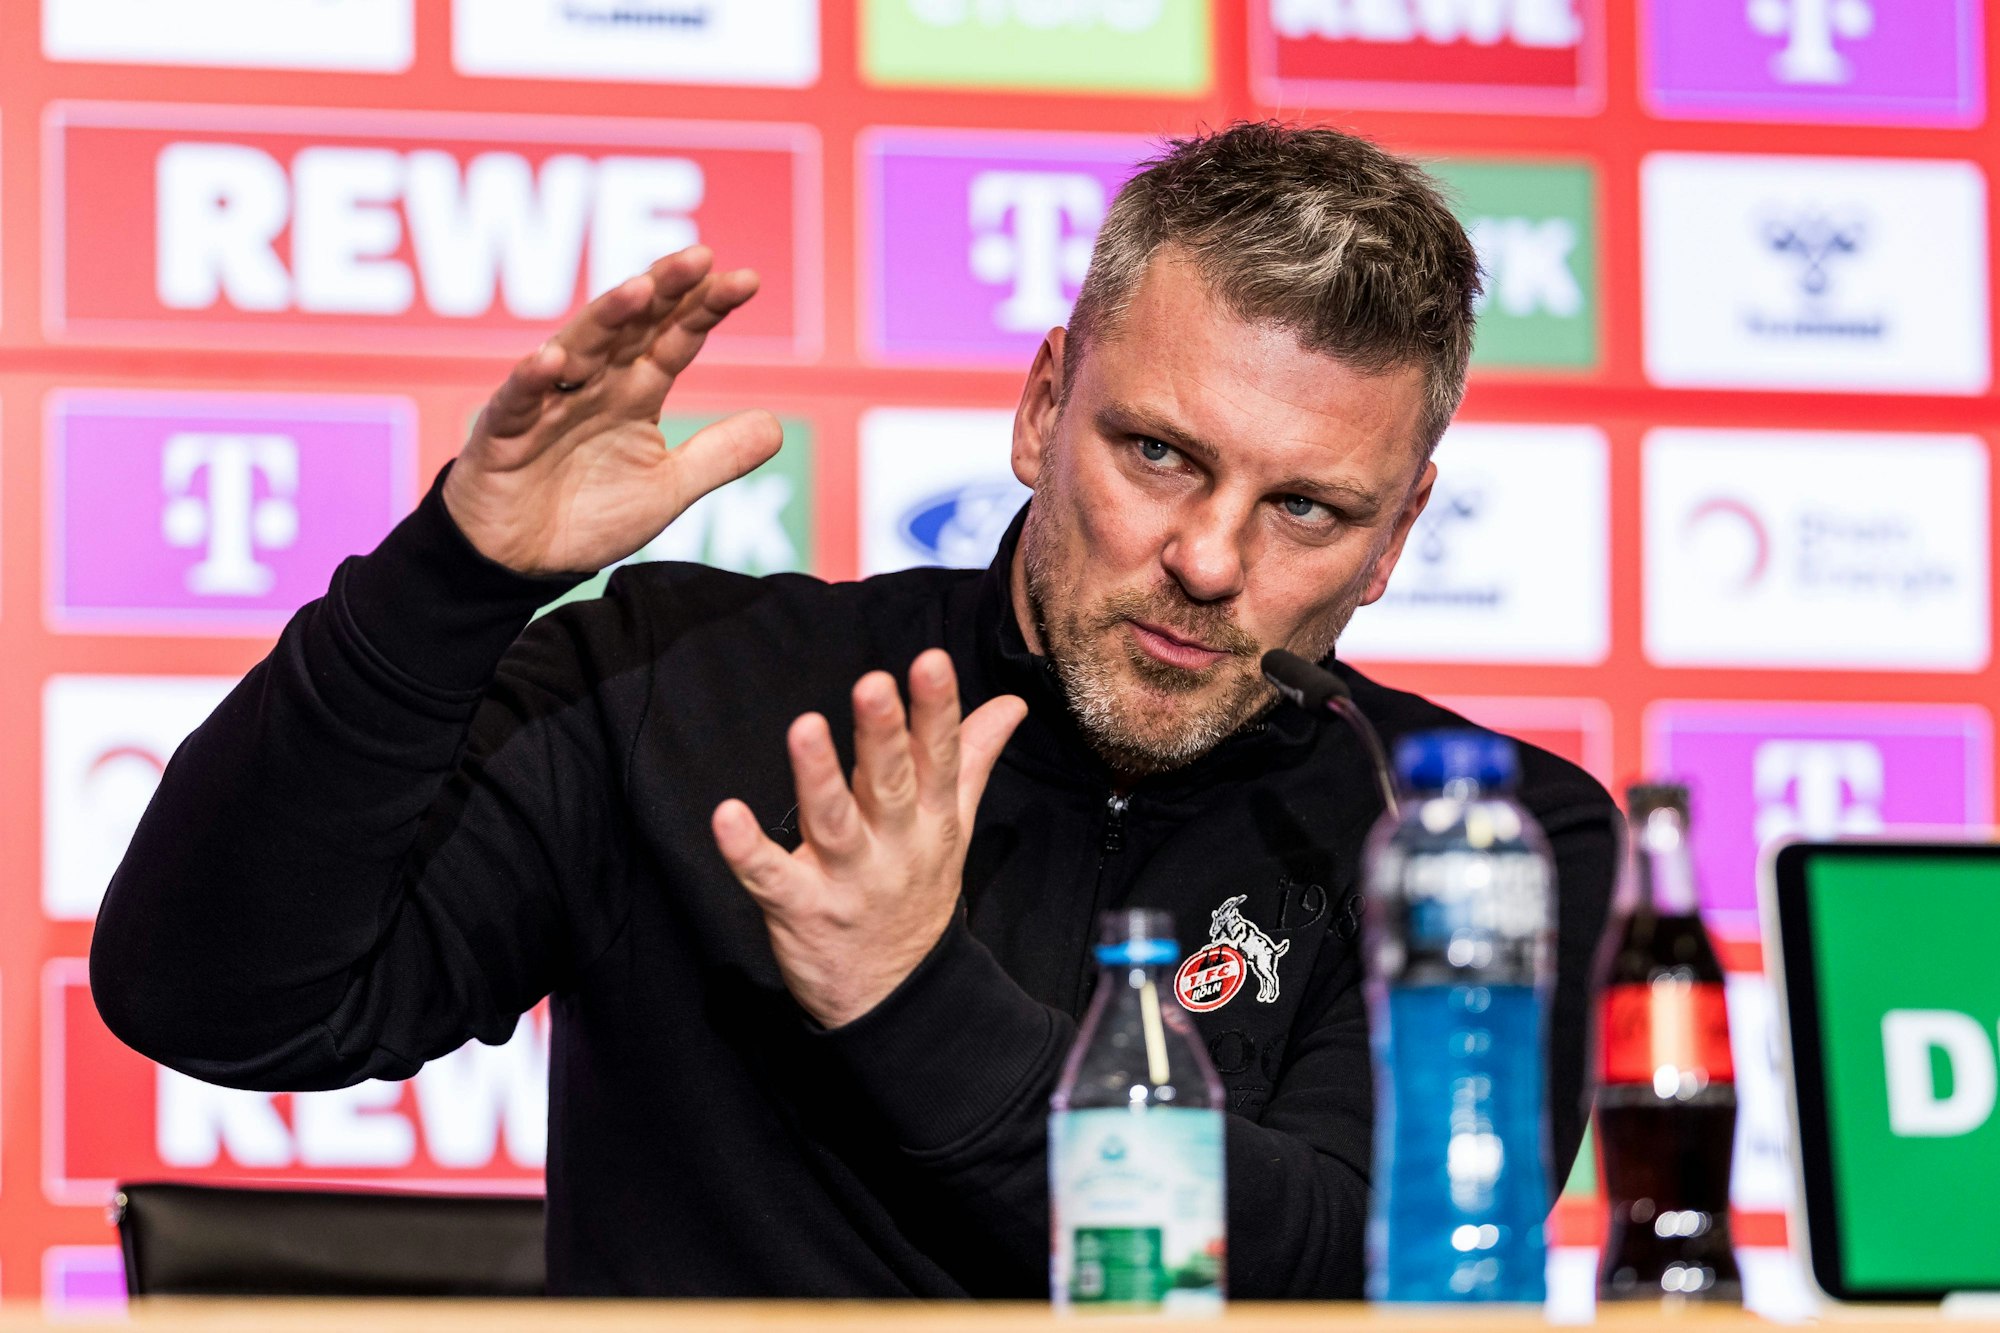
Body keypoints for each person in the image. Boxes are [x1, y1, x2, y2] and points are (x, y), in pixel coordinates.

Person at [91, 122, 1619, 1298]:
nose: (1210, 560)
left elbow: (1363, 1274)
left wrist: (905, 996)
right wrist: (452, 580)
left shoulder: (1479, 837)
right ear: (1043, 407)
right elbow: (210, 995)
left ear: (1397, 535)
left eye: (1306, 509)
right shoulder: (678, 686)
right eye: (1158, 454)